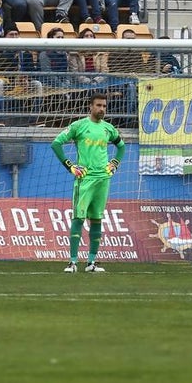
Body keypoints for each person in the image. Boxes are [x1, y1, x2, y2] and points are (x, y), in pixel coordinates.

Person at [51, 93, 125, 273]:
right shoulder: (79, 126)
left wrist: (115, 163)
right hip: (85, 179)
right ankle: (72, 262)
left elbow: (121, 146)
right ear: (90, 107)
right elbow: (56, 143)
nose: (102, 109)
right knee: (78, 218)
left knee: (97, 219)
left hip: (103, 179)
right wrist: (70, 166)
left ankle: (91, 263)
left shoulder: (108, 128)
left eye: (104, 106)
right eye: (98, 105)